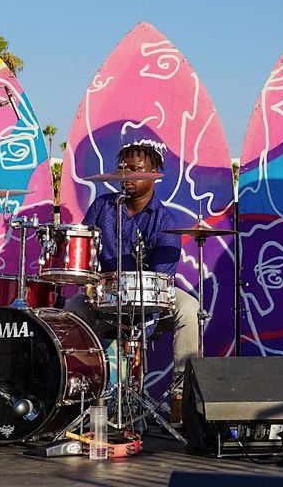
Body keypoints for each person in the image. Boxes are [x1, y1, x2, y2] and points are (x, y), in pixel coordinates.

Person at [65, 140, 200, 416]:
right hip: (105, 294)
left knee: (190, 309)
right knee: (72, 310)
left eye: (135, 169)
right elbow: (85, 251)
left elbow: (162, 282)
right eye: (122, 169)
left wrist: (138, 332)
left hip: (150, 300)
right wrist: (90, 283)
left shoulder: (166, 222)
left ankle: (180, 397)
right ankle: (74, 396)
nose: (126, 175)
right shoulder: (103, 207)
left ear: (154, 175)